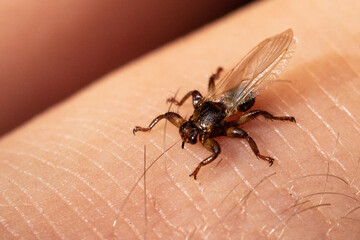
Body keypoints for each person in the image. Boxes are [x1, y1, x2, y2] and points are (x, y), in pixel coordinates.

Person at [0, 0, 359, 239]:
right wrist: (154, 123)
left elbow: (222, 149)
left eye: (191, 132)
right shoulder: (191, 119)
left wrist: (215, 164)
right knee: (202, 94)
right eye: (188, 130)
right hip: (219, 98)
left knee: (257, 119)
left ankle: (270, 122)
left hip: (234, 101)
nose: (188, 134)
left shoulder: (217, 132)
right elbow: (171, 113)